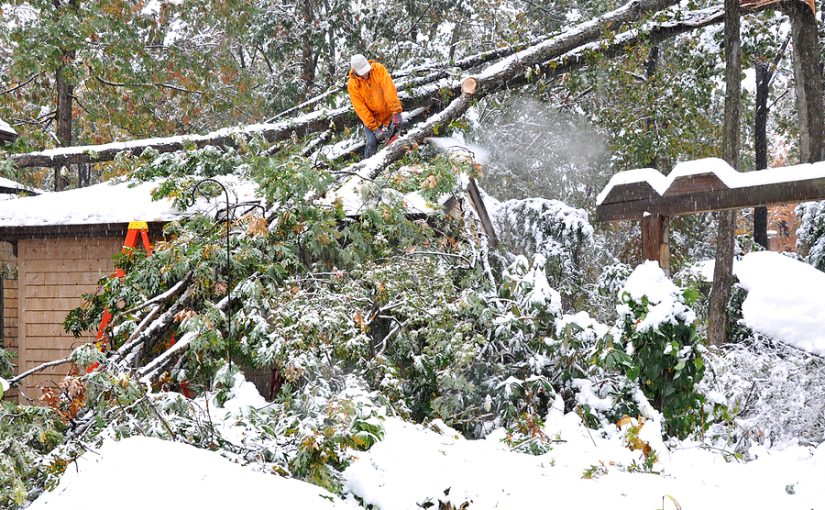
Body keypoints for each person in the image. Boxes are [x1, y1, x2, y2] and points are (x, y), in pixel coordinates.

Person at [347, 54, 406, 158]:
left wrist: (396, 112)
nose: (365, 74)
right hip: (373, 118)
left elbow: (389, 91)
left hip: (389, 111)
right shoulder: (353, 85)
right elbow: (361, 108)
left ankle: (402, 160)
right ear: (355, 71)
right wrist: (374, 128)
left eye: (366, 70)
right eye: (362, 73)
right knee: (371, 143)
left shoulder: (378, 69)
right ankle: (367, 168)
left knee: (401, 132)